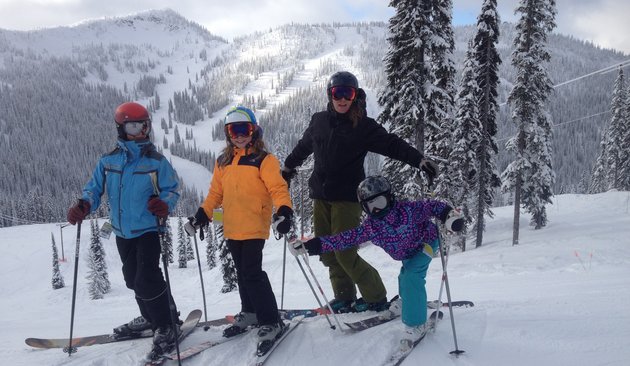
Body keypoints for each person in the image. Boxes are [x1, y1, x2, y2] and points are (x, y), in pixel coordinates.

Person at [281, 71, 438, 313]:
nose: (342, 99)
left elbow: (391, 144)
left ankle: (376, 297)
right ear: (330, 95)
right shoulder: (319, 121)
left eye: (348, 93)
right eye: (337, 93)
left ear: (355, 96)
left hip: (346, 199)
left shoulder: (363, 126)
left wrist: (419, 160)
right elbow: (303, 147)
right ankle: (344, 296)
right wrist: (288, 167)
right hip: (320, 197)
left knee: (344, 251)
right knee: (327, 251)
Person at [289, 175, 464, 350]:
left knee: (412, 276)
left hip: (426, 243)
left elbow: (433, 206)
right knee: (405, 275)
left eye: (379, 202)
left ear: (389, 197)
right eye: (369, 206)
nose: (376, 210)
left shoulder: (409, 211)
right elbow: (343, 239)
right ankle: (406, 302)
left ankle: (416, 324)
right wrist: (311, 246)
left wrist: (448, 215)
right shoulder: (371, 227)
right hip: (406, 253)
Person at [66, 102, 182, 355]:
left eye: (144, 125)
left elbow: (172, 189)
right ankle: (154, 316)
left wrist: (164, 204)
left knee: (146, 278)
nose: (140, 130)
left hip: (149, 229)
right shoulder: (108, 160)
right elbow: (94, 189)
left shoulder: (156, 161)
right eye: (133, 125)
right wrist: (85, 204)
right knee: (133, 280)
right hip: (122, 231)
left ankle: (165, 325)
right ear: (121, 128)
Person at [189, 106, 293, 349]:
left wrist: (284, 210)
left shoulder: (264, 160)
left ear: (253, 130)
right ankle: (250, 312)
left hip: (255, 224)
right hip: (232, 226)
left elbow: (278, 188)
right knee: (241, 272)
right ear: (227, 134)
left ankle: (270, 319)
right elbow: (216, 193)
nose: (238, 135)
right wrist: (203, 214)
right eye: (232, 130)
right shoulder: (223, 161)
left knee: (252, 272)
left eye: (243, 129)